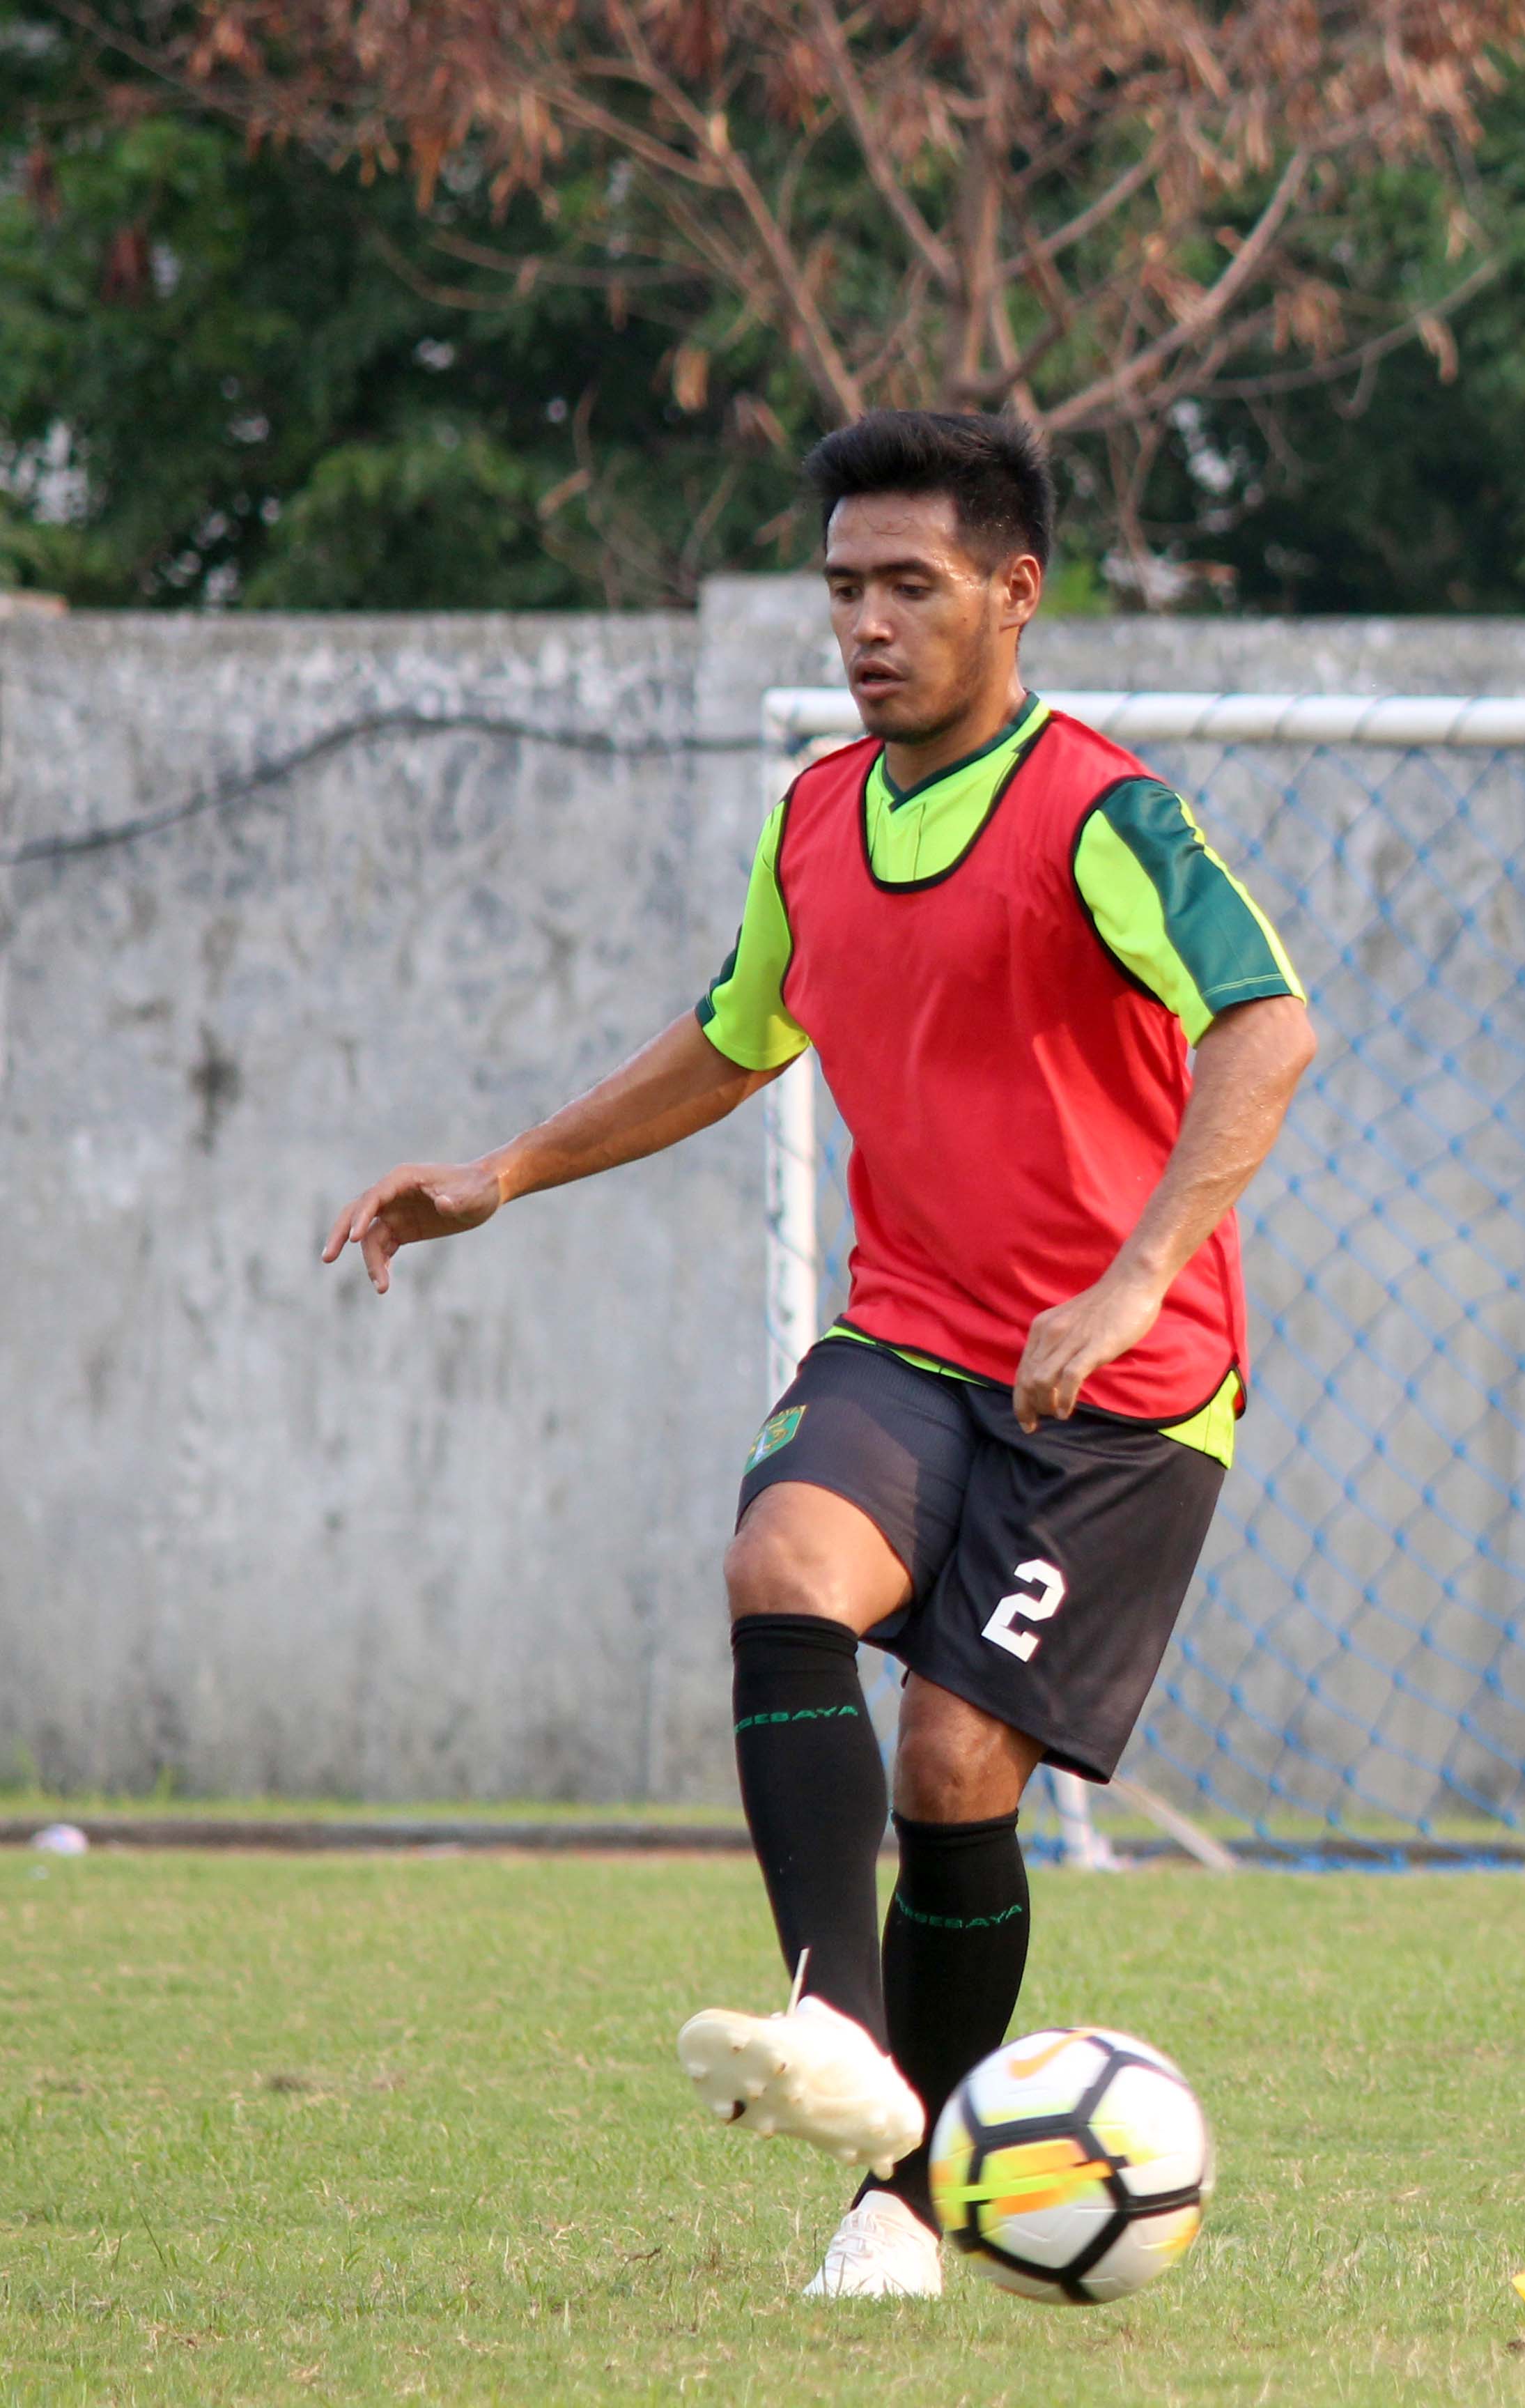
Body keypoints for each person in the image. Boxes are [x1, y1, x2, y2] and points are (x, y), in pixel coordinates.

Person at [321, 409, 1316, 2299]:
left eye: (910, 587)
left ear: (1015, 595)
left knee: (953, 1763)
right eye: (844, 586)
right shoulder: (813, 816)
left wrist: (1129, 1278)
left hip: (1126, 1385)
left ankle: (902, 2196)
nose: (867, 623)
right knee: (781, 1564)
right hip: (912, 1331)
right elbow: (736, 1032)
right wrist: (505, 1171)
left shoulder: (1107, 813)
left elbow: (1266, 1031)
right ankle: (834, 2033)